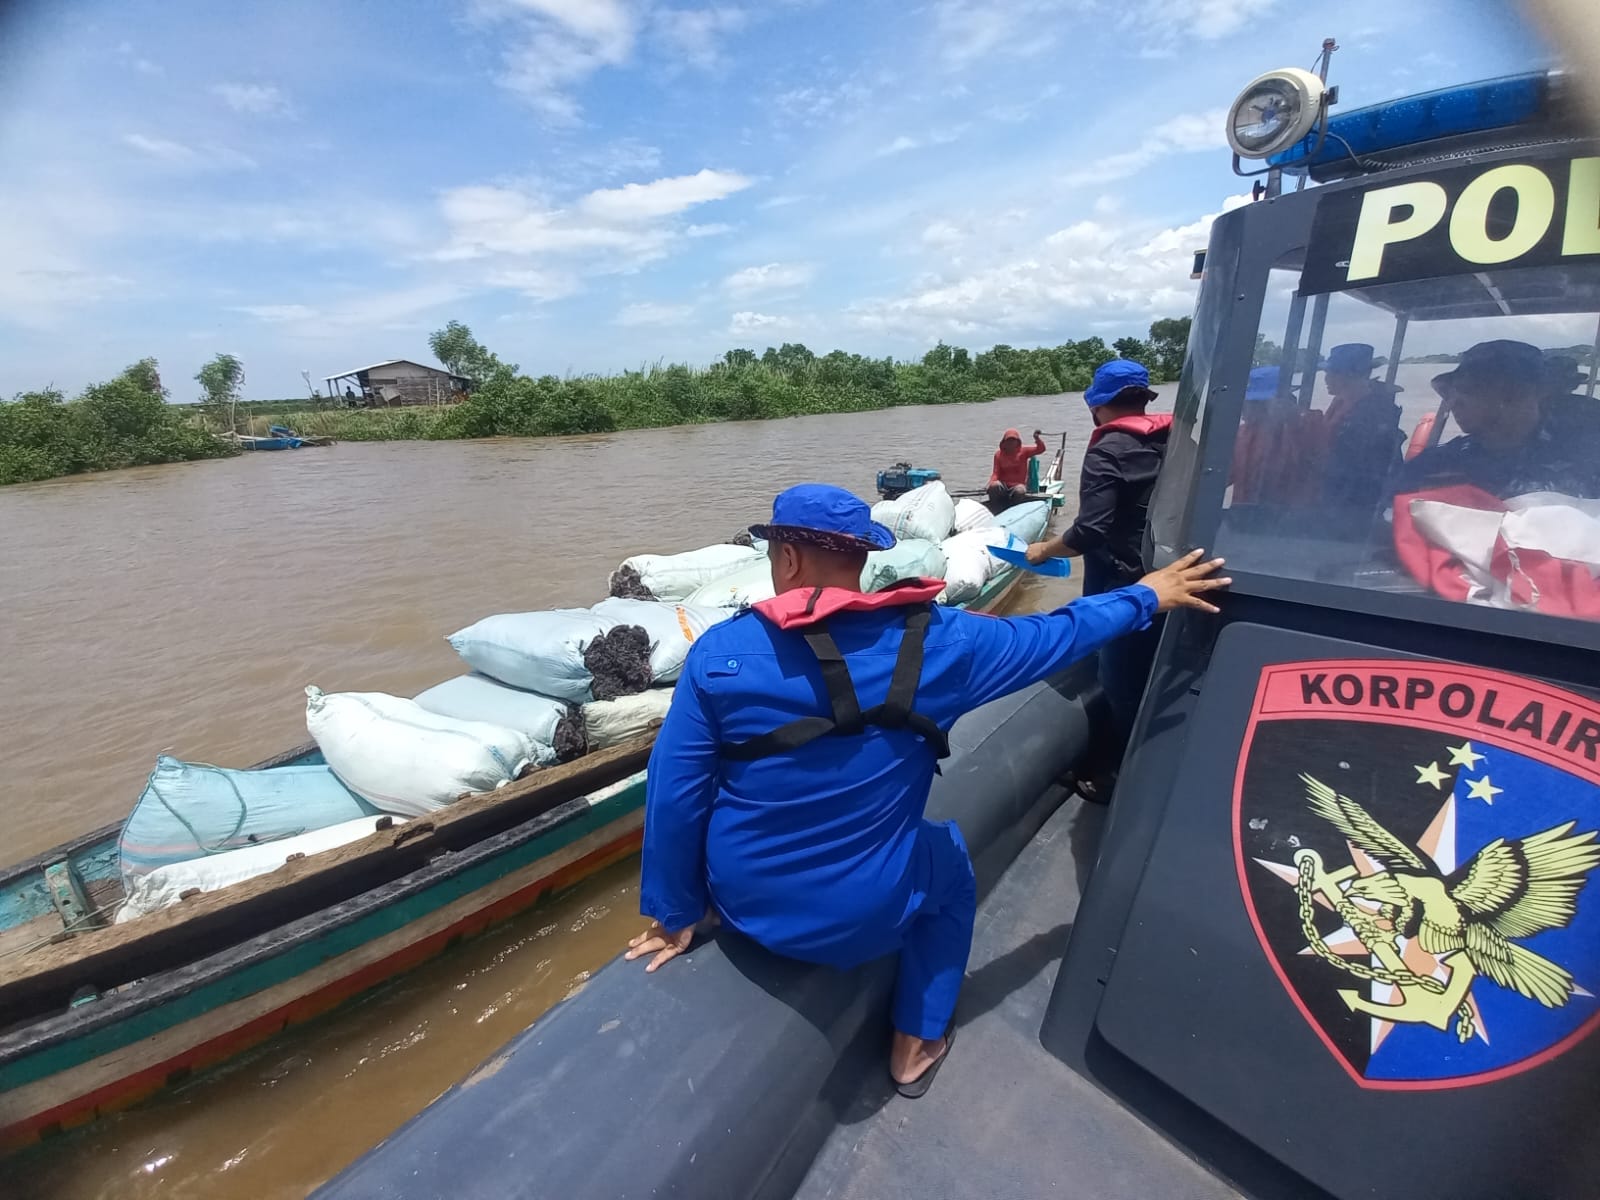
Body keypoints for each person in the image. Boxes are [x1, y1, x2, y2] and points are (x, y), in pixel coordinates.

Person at [625, 483, 1228, 1097]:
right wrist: (1146, 596)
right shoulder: (944, 642)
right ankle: (916, 1046)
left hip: (742, 906)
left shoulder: (719, 655)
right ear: (862, 558)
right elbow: (1058, 635)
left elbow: (675, 796)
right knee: (947, 858)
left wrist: (675, 913)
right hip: (868, 918)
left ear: (786, 559)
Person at [1023, 359, 1171, 743]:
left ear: (1098, 405)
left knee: (1120, 679)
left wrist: (1044, 550)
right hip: (1168, 568)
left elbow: (1089, 530)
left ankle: (1121, 768)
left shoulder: (1108, 449)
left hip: (1124, 578)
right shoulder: (1172, 437)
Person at [1394, 339, 1600, 500]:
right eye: (1451, 393)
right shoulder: (1432, 465)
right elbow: (1383, 538)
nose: (1452, 403)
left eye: (1468, 390)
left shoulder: (1588, 462)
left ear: (1520, 393)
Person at [1317, 343, 1404, 517]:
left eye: (1330, 373)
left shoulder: (1372, 417)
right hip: (1336, 500)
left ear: (1348, 375)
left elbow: (1356, 472)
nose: (1326, 379)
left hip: (1353, 509)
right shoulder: (1343, 404)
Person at [1231, 365, 1323, 506]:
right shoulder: (1242, 434)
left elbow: (1312, 457)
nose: (1241, 411)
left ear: (1268, 404)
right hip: (1243, 519)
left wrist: (1291, 416)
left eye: (1246, 404)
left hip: (1288, 522)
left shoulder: (1307, 426)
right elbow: (1221, 475)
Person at [987, 428, 1047, 509]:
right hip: (1003, 485)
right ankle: (994, 508)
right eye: (1008, 441)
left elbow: (1041, 449)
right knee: (994, 486)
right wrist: (990, 483)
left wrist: (1037, 438)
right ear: (1003, 443)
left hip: (1017, 485)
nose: (1010, 443)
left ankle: (1015, 509)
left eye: (1013, 441)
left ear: (1017, 442)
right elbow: (996, 473)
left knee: (1020, 491)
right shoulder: (998, 455)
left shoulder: (1024, 451)